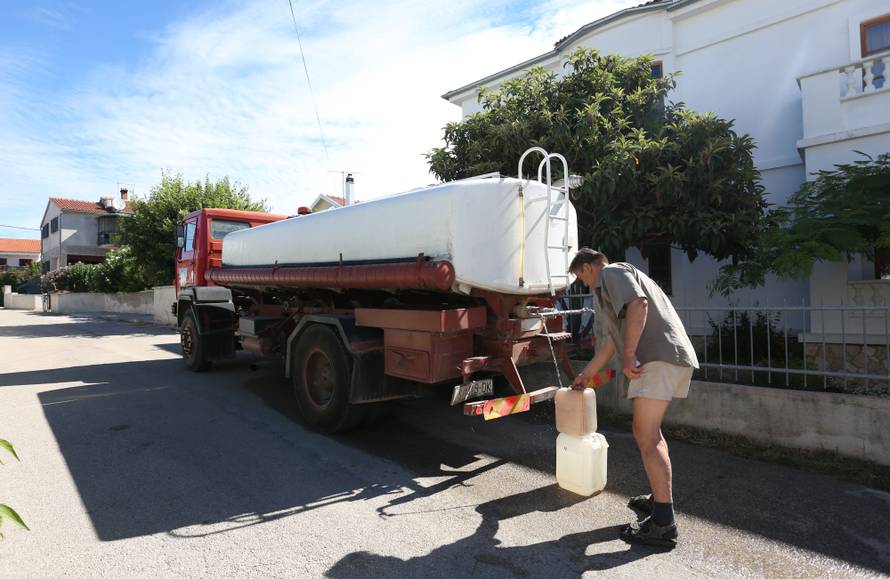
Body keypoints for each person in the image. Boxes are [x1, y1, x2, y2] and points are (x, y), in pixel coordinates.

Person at [568, 248, 698, 549]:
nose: (586, 286)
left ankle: (664, 524)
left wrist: (630, 356)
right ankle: (659, 501)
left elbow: (638, 305)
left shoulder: (612, 273)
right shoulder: (618, 285)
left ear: (589, 267)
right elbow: (610, 346)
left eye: (582, 278)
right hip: (669, 358)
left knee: (646, 435)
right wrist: (585, 376)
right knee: (652, 434)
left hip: (655, 359)